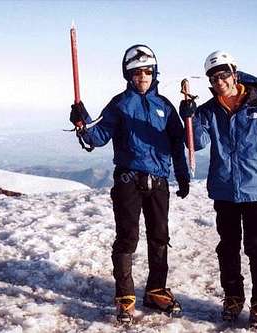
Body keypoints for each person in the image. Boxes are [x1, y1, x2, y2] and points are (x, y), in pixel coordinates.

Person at [69, 44, 190, 324]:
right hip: (128, 181)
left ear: (154, 72)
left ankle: (156, 290)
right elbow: (97, 136)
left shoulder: (165, 107)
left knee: (160, 237)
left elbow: (177, 144)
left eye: (147, 71)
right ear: (128, 75)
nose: (142, 77)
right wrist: (83, 121)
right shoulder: (120, 104)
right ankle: (125, 297)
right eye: (136, 73)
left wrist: (182, 175)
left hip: (158, 181)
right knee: (127, 238)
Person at [179, 51, 257, 330]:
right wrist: (189, 119)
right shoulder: (208, 110)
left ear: (235, 74)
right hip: (224, 190)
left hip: (256, 190)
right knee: (227, 248)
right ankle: (232, 298)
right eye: (214, 77)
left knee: (255, 246)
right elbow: (198, 143)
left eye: (224, 74)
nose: (220, 81)